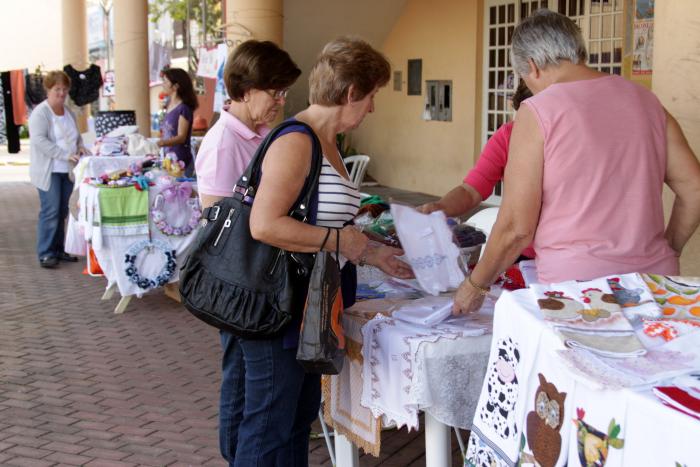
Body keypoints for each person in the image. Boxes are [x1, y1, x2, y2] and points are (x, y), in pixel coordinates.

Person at [215, 37, 413, 466]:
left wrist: (373, 251)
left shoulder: (325, 143)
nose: (373, 108)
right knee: (269, 426)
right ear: (350, 94)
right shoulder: (297, 140)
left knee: (293, 421)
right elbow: (264, 224)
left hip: (308, 307)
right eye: (373, 96)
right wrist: (344, 242)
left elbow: (327, 225)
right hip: (279, 308)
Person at [453, 9, 700, 314]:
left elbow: (517, 228)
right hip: (653, 283)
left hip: (579, 291)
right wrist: (669, 247)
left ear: (532, 66)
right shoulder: (647, 101)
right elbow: (694, 188)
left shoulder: (538, 110)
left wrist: (475, 285)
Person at [419, 81, 535, 259]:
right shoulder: (508, 136)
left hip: (573, 253)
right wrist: (441, 207)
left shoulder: (577, 140)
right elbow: (471, 190)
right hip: (524, 252)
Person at [195, 40, 300, 209]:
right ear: (246, 91)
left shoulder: (265, 134)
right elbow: (218, 227)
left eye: (284, 92)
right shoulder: (222, 146)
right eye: (275, 93)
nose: (281, 101)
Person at [28, 70, 86, 268]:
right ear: (48, 89)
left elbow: (75, 136)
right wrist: (63, 154)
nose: (61, 93)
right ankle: (46, 252)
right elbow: (38, 140)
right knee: (50, 210)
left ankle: (59, 249)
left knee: (62, 210)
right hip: (49, 170)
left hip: (67, 170)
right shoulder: (41, 113)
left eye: (64, 89)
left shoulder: (67, 111)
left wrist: (79, 146)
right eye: (57, 89)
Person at [157, 68, 198, 176]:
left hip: (181, 162)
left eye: (166, 82)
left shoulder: (183, 109)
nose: (163, 84)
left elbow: (181, 137)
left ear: (176, 86)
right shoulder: (169, 105)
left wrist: (162, 143)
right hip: (169, 159)